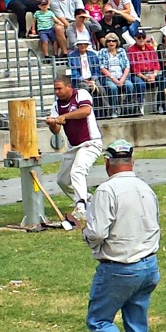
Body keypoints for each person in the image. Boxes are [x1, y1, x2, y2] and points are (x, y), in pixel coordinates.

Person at [83, 138, 160, 332]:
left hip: (120, 267)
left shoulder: (106, 191)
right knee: (136, 323)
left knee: (99, 320)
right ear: (132, 161)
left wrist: (84, 230)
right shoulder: (146, 189)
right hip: (148, 264)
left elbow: (97, 232)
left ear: (107, 163)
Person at [47, 73, 103, 226]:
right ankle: (87, 199)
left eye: (59, 89)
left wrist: (65, 116)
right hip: (73, 147)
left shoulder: (81, 94)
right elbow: (56, 130)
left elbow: (85, 111)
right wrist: (52, 123)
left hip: (90, 143)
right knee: (63, 180)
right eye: (55, 89)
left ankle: (81, 206)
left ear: (69, 87)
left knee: (77, 171)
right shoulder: (56, 105)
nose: (56, 92)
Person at [128, 30, 162, 116]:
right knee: (140, 83)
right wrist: (145, 77)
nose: (141, 39)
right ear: (135, 38)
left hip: (151, 73)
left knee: (164, 81)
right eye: (139, 37)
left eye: (143, 37)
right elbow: (134, 68)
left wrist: (154, 74)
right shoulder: (131, 50)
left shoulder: (150, 48)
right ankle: (140, 105)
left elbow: (156, 63)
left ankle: (160, 104)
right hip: (139, 75)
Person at [99, 33, 133, 119]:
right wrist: (113, 79)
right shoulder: (103, 52)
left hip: (122, 76)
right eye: (109, 41)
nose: (111, 43)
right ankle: (114, 110)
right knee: (113, 88)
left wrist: (122, 79)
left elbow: (127, 66)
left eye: (113, 41)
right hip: (109, 77)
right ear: (106, 42)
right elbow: (102, 68)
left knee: (129, 85)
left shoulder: (121, 51)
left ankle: (126, 108)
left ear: (117, 42)